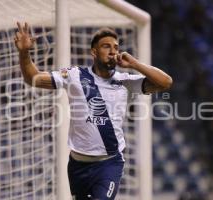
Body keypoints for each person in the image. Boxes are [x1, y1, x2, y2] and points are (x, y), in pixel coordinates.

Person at [14, 22, 172, 200]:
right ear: (94, 52)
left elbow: (165, 82)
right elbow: (33, 78)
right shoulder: (74, 75)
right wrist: (24, 52)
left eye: (116, 47)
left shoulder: (126, 81)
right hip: (77, 166)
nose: (113, 51)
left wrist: (134, 63)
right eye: (106, 46)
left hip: (108, 164)